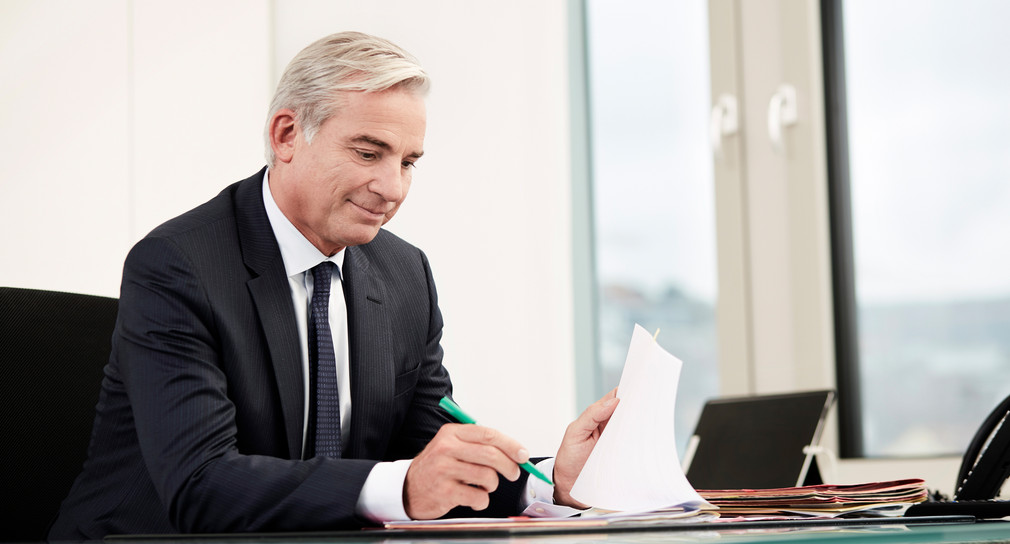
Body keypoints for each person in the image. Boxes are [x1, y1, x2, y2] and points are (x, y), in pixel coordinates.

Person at [49, 31, 618, 540]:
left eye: (408, 162)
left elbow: (430, 454)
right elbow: (201, 484)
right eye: (369, 153)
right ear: (288, 134)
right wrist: (401, 490)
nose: (392, 188)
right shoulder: (179, 264)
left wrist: (544, 487)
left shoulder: (404, 275)